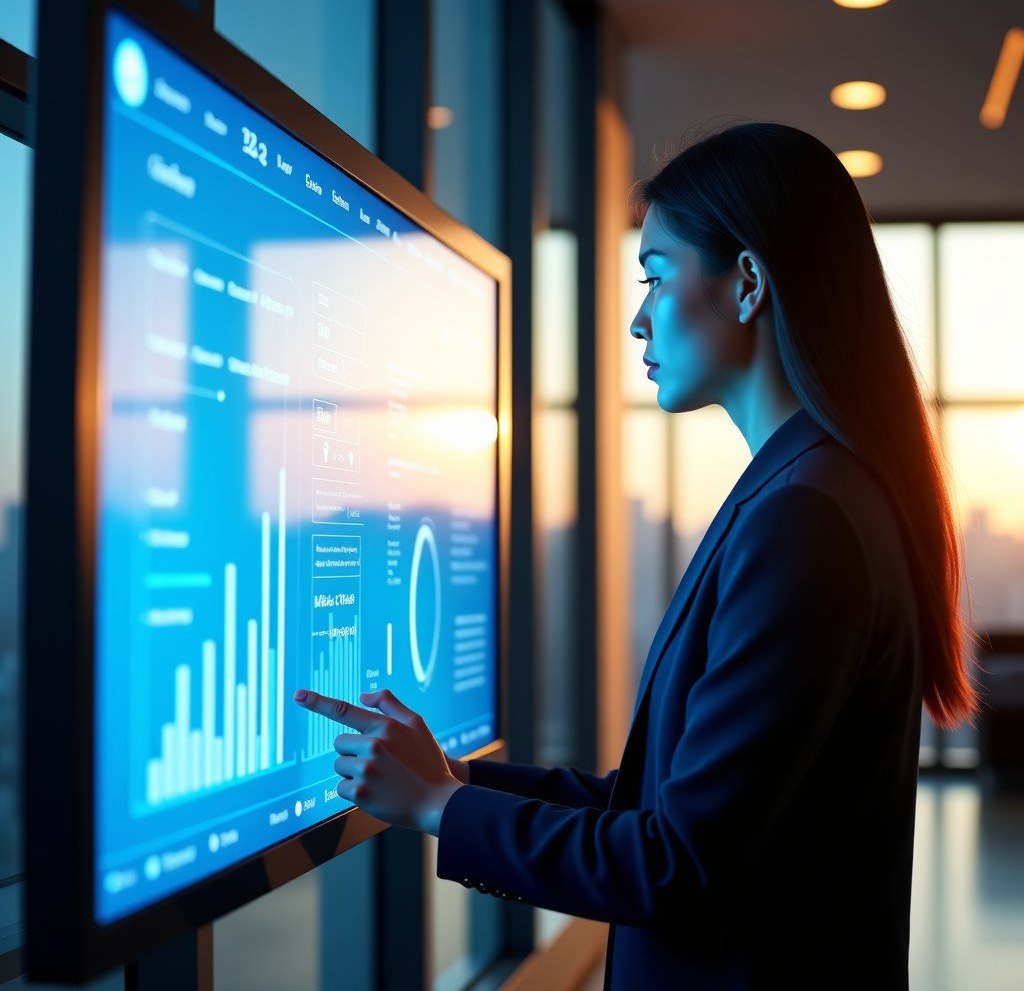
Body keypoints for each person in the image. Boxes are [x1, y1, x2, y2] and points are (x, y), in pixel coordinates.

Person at [294, 122, 976, 990]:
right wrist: (459, 777)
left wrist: (440, 807)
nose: (636, 318)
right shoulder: (813, 491)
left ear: (748, 285)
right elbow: (664, 800)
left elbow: (674, 861)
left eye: (655, 277)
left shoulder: (803, 519)